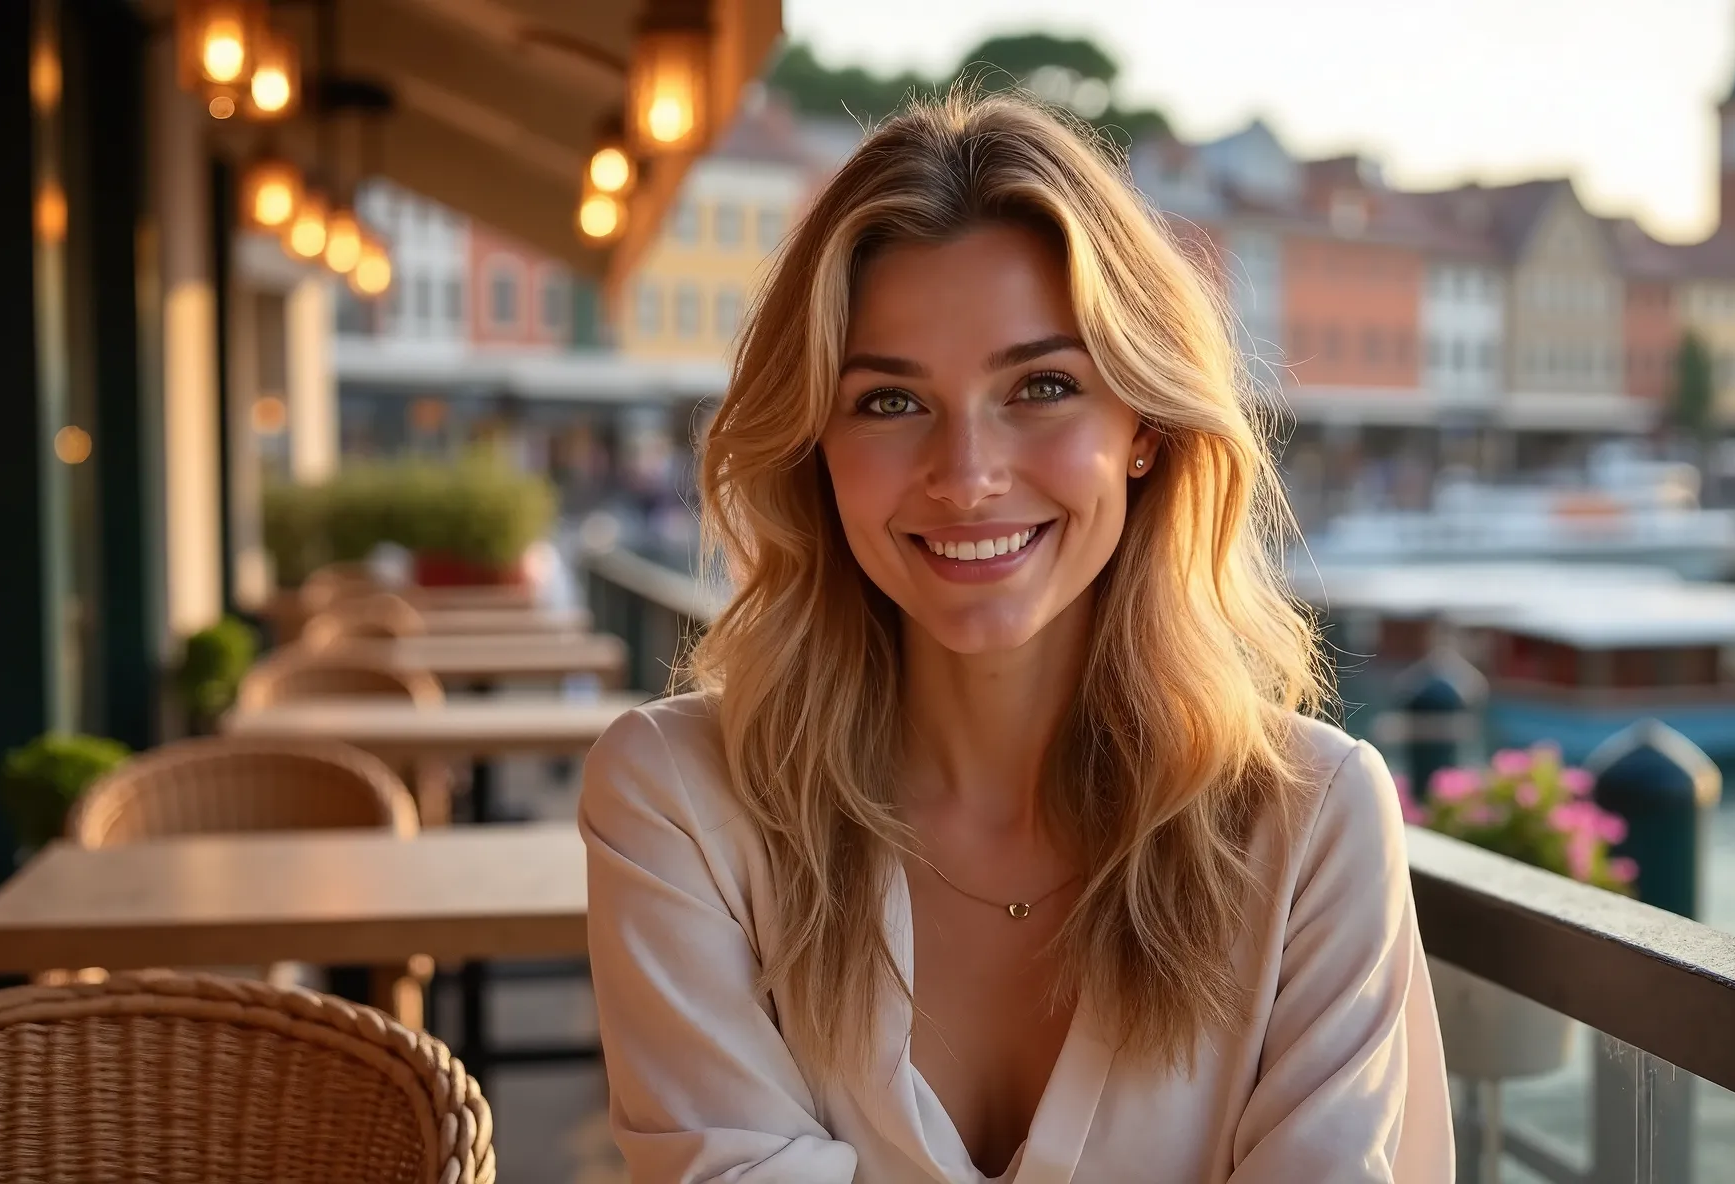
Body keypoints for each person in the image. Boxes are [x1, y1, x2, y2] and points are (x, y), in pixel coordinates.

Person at [580, 89, 1453, 1183]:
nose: (967, 474)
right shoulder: (677, 800)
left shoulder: (1310, 819)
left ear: (1141, 429)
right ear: (816, 446)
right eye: (890, 403)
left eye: (1040, 386)